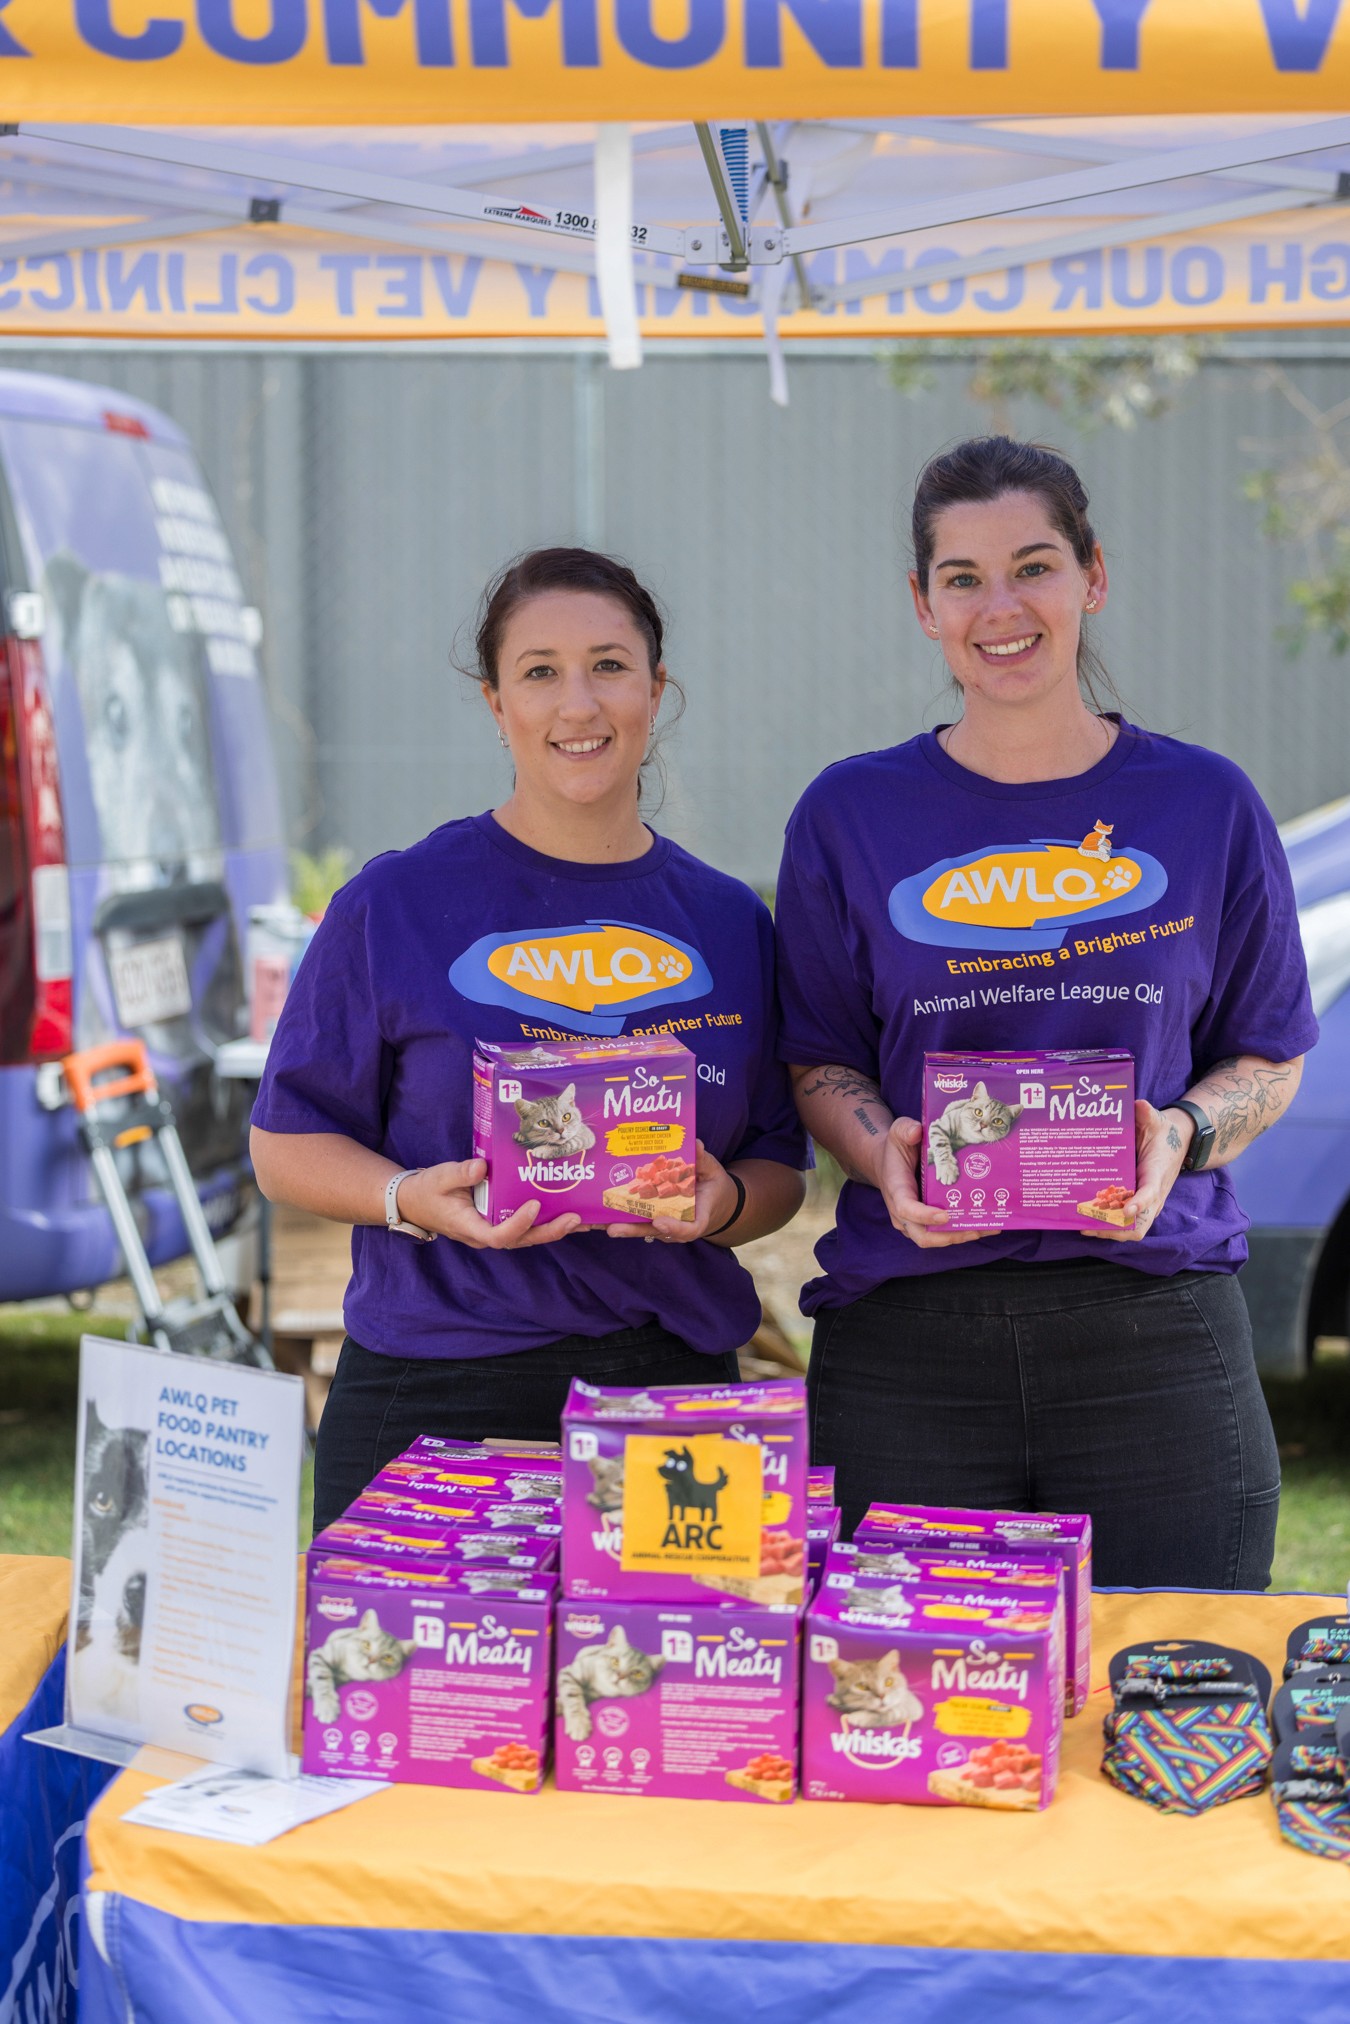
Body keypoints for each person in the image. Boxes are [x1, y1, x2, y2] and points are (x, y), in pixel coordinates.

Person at [775, 436, 1317, 1588]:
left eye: (1034, 565)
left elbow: (1269, 1052)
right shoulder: (849, 814)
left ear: (1093, 576)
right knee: (910, 1732)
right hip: (909, 1342)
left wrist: (1183, 1132)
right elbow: (818, 1057)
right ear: (923, 605)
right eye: (963, 578)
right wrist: (886, 1156)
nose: (1000, 606)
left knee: (1176, 1703)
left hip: (1154, 1326)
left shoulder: (1204, 801)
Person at [252, 548, 808, 1533]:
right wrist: (406, 1199)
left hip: (668, 1394)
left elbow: (776, 1165)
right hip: (434, 1386)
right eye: (540, 671)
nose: (578, 703)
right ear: (496, 702)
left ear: (656, 688)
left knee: (677, 1692)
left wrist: (721, 1202)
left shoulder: (729, 922)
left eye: (608, 665)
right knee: (423, 1692)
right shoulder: (396, 902)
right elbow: (285, 1144)